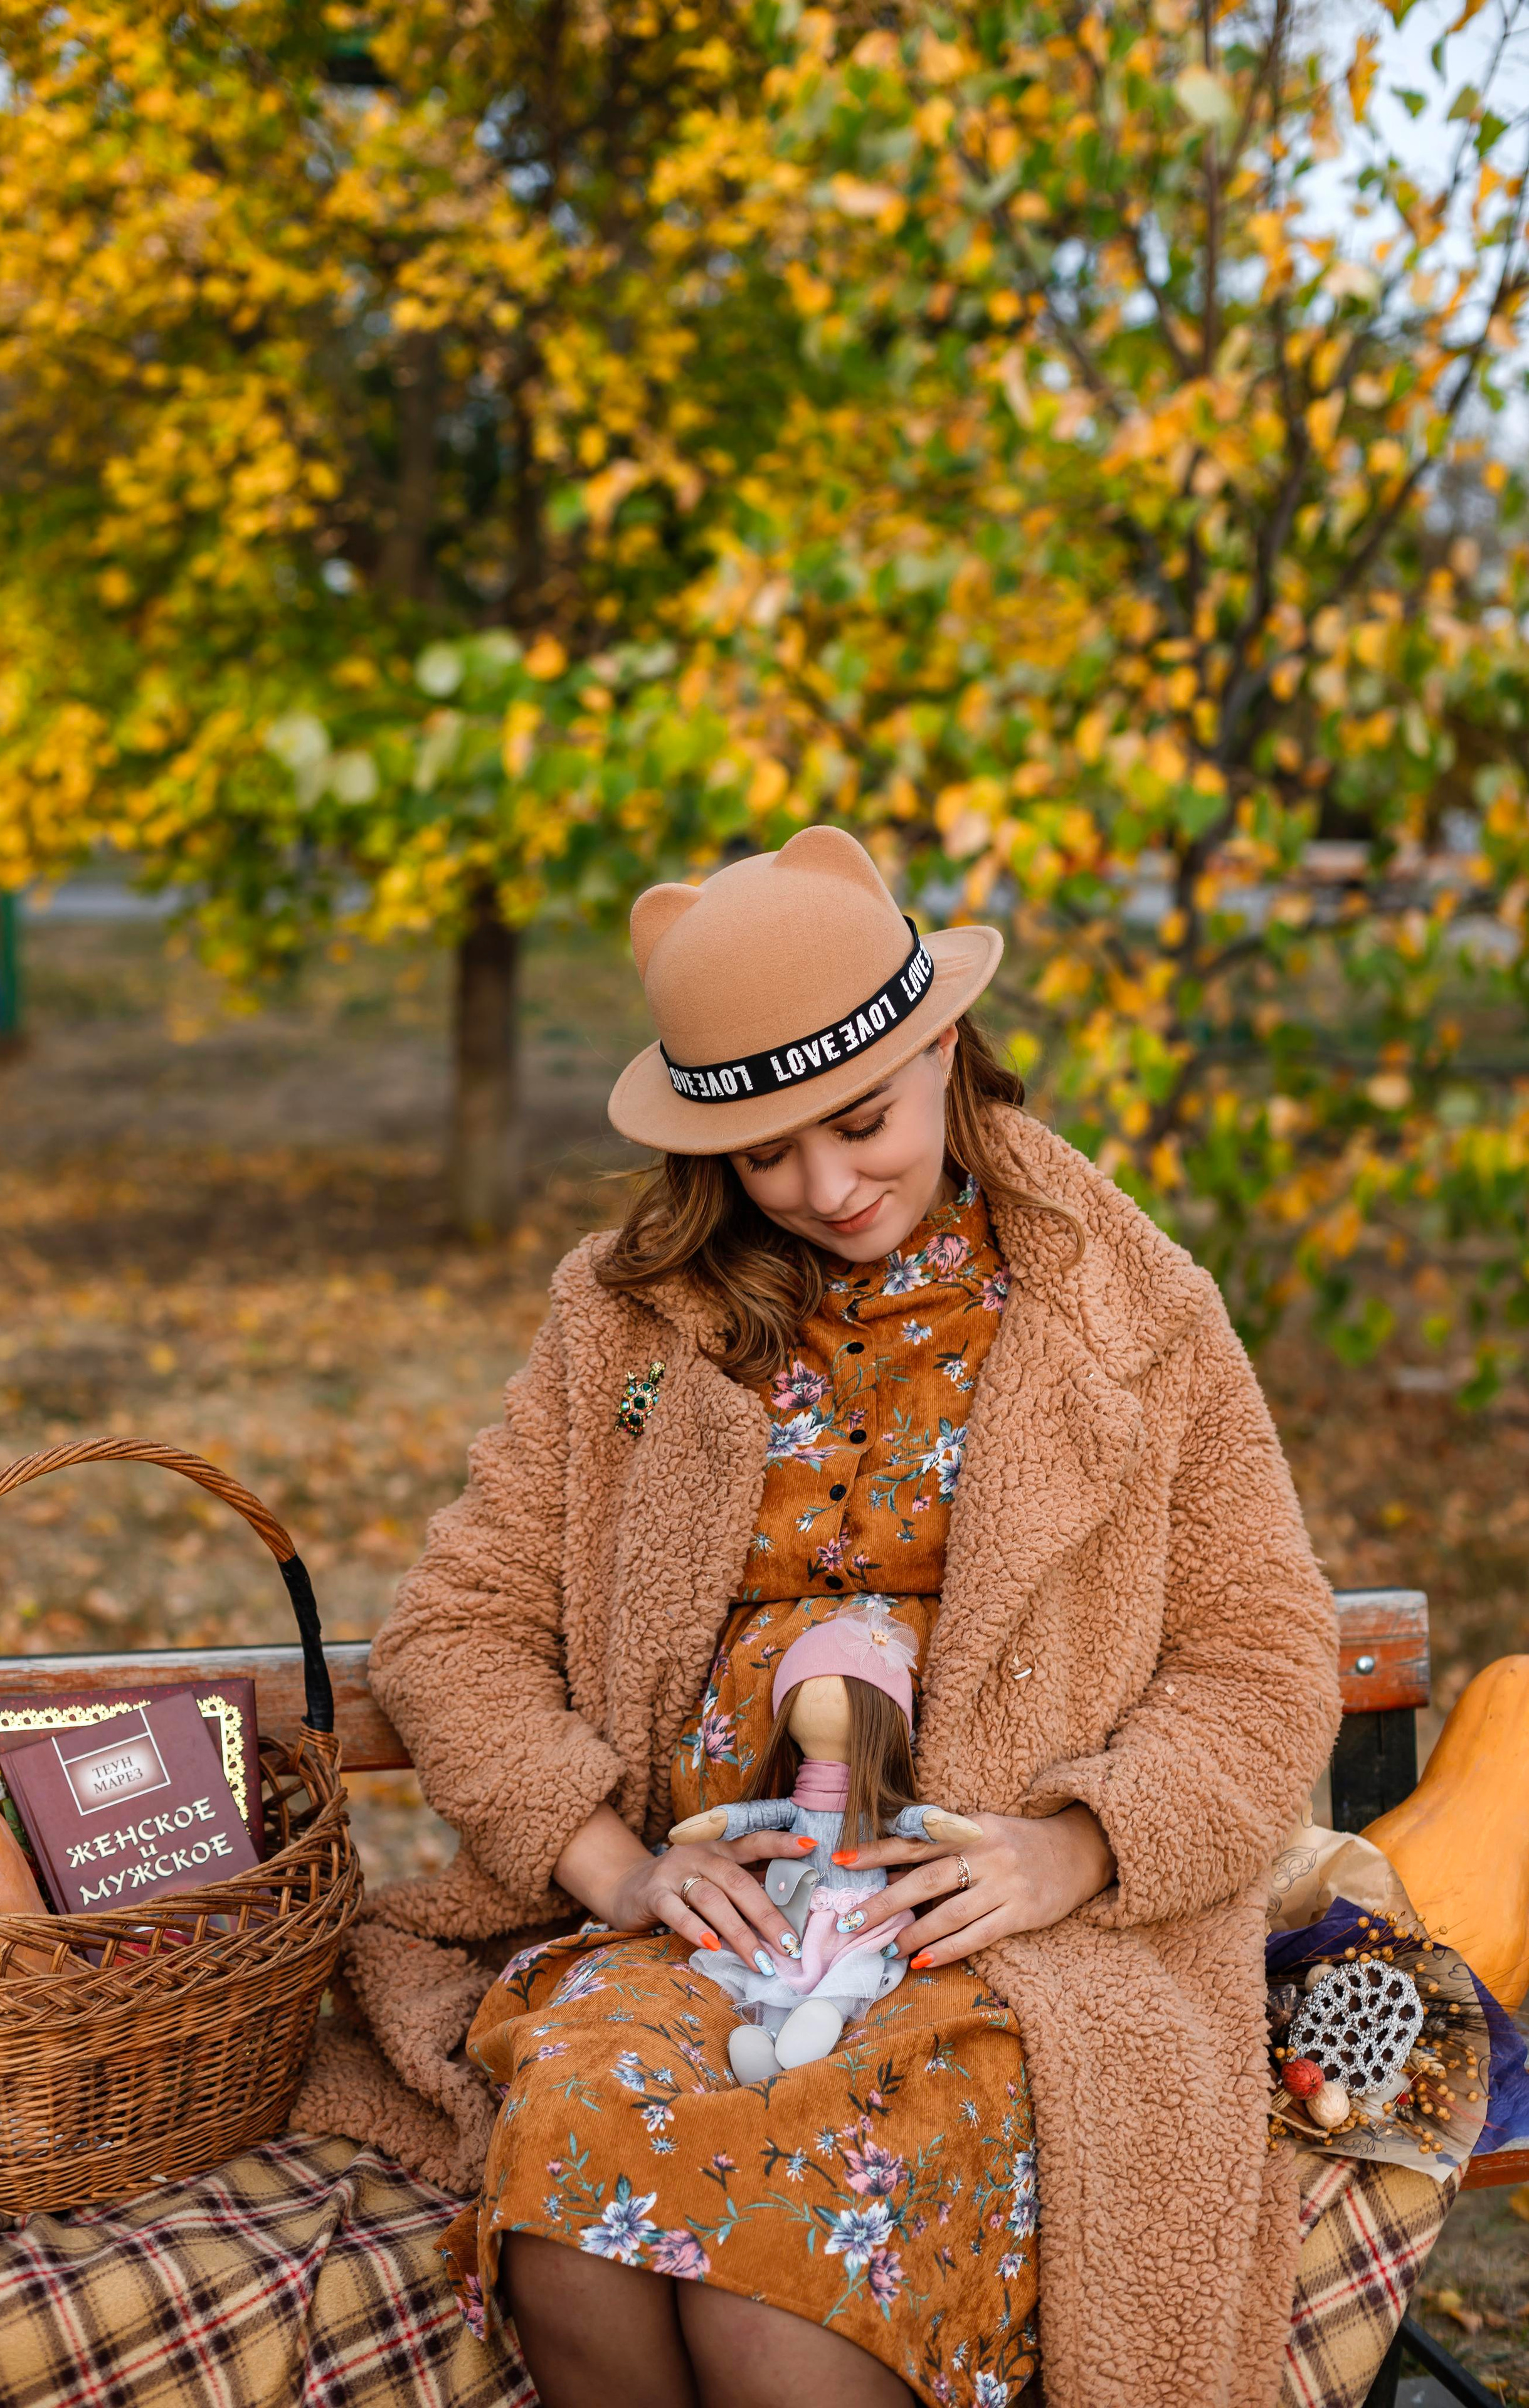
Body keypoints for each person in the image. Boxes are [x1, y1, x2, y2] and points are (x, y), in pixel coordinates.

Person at [364, 825, 1341, 2408]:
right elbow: (452, 1628)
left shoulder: (1126, 1308)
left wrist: (1075, 1848)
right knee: (575, 2230)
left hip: (995, 1938)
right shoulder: (625, 1322)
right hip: (714, 1916)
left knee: (778, 2303)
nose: (824, 1188)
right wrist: (613, 1864)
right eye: (765, 1153)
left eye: (861, 1121)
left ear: (941, 1045)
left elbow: (1262, 1655)